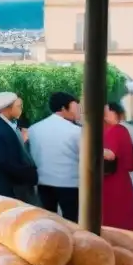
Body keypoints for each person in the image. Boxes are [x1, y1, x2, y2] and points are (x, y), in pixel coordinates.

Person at [28, 92, 81, 222]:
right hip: (70, 184)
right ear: (63, 109)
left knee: (48, 221)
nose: (78, 112)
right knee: (72, 221)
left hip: (43, 182)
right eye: (76, 108)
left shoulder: (34, 129)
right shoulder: (76, 131)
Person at [0, 92, 38, 202]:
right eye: (18, 106)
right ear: (6, 109)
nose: (21, 109)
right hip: (6, 190)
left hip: (13, 187)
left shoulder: (6, 125)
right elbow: (2, 161)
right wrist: (30, 174)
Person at [103, 102, 133, 231]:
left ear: (115, 113)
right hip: (115, 179)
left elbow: (110, 155)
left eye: (107, 110)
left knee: (116, 215)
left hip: (113, 179)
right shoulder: (112, 129)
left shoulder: (117, 130)